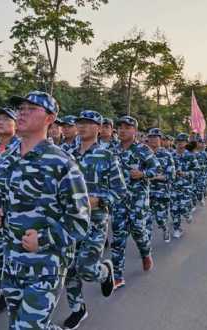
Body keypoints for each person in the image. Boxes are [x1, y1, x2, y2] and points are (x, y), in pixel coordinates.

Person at [0, 91, 90, 329]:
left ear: (49, 118)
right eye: (21, 108)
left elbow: (80, 222)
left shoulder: (62, 163)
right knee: (18, 324)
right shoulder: (7, 159)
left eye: (31, 108)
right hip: (11, 261)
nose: (22, 112)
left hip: (46, 265)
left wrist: (43, 239)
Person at [63, 110, 126, 329]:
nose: (82, 126)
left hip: (96, 220)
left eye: (89, 123)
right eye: (80, 122)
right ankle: (77, 308)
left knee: (86, 268)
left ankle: (105, 272)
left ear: (99, 128)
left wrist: (99, 200)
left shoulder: (107, 155)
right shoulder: (66, 153)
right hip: (70, 220)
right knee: (69, 267)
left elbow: (120, 190)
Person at [112, 116, 160, 289]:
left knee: (139, 231)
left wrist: (143, 174)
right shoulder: (113, 149)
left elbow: (157, 168)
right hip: (118, 200)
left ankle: (145, 253)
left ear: (135, 131)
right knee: (118, 237)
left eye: (127, 127)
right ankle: (117, 275)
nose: (123, 130)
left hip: (138, 199)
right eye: (121, 127)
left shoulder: (143, 149)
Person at [0, 107, 19, 314]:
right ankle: (5, 293)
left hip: (19, 217)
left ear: (16, 124)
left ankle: (19, 296)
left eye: (6, 119)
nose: (0, 122)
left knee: (18, 259)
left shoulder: (23, 148)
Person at [145, 128, 175, 243]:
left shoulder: (167, 155)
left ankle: (165, 229)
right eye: (151, 137)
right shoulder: (143, 154)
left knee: (160, 219)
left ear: (161, 139)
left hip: (161, 193)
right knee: (145, 220)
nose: (152, 140)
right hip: (145, 192)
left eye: (155, 137)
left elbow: (171, 176)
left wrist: (155, 177)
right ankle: (146, 244)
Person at [170, 133, 200, 238]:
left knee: (183, 208)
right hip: (173, 187)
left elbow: (197, 172)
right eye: (178, 142)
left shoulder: (191, 156)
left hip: (186, 187)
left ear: (186, 143)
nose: (180, 144)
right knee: (174, 209)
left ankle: (187, 214)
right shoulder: (171, 156)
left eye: (182, 142)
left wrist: (186, 174)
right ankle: (177, 229)